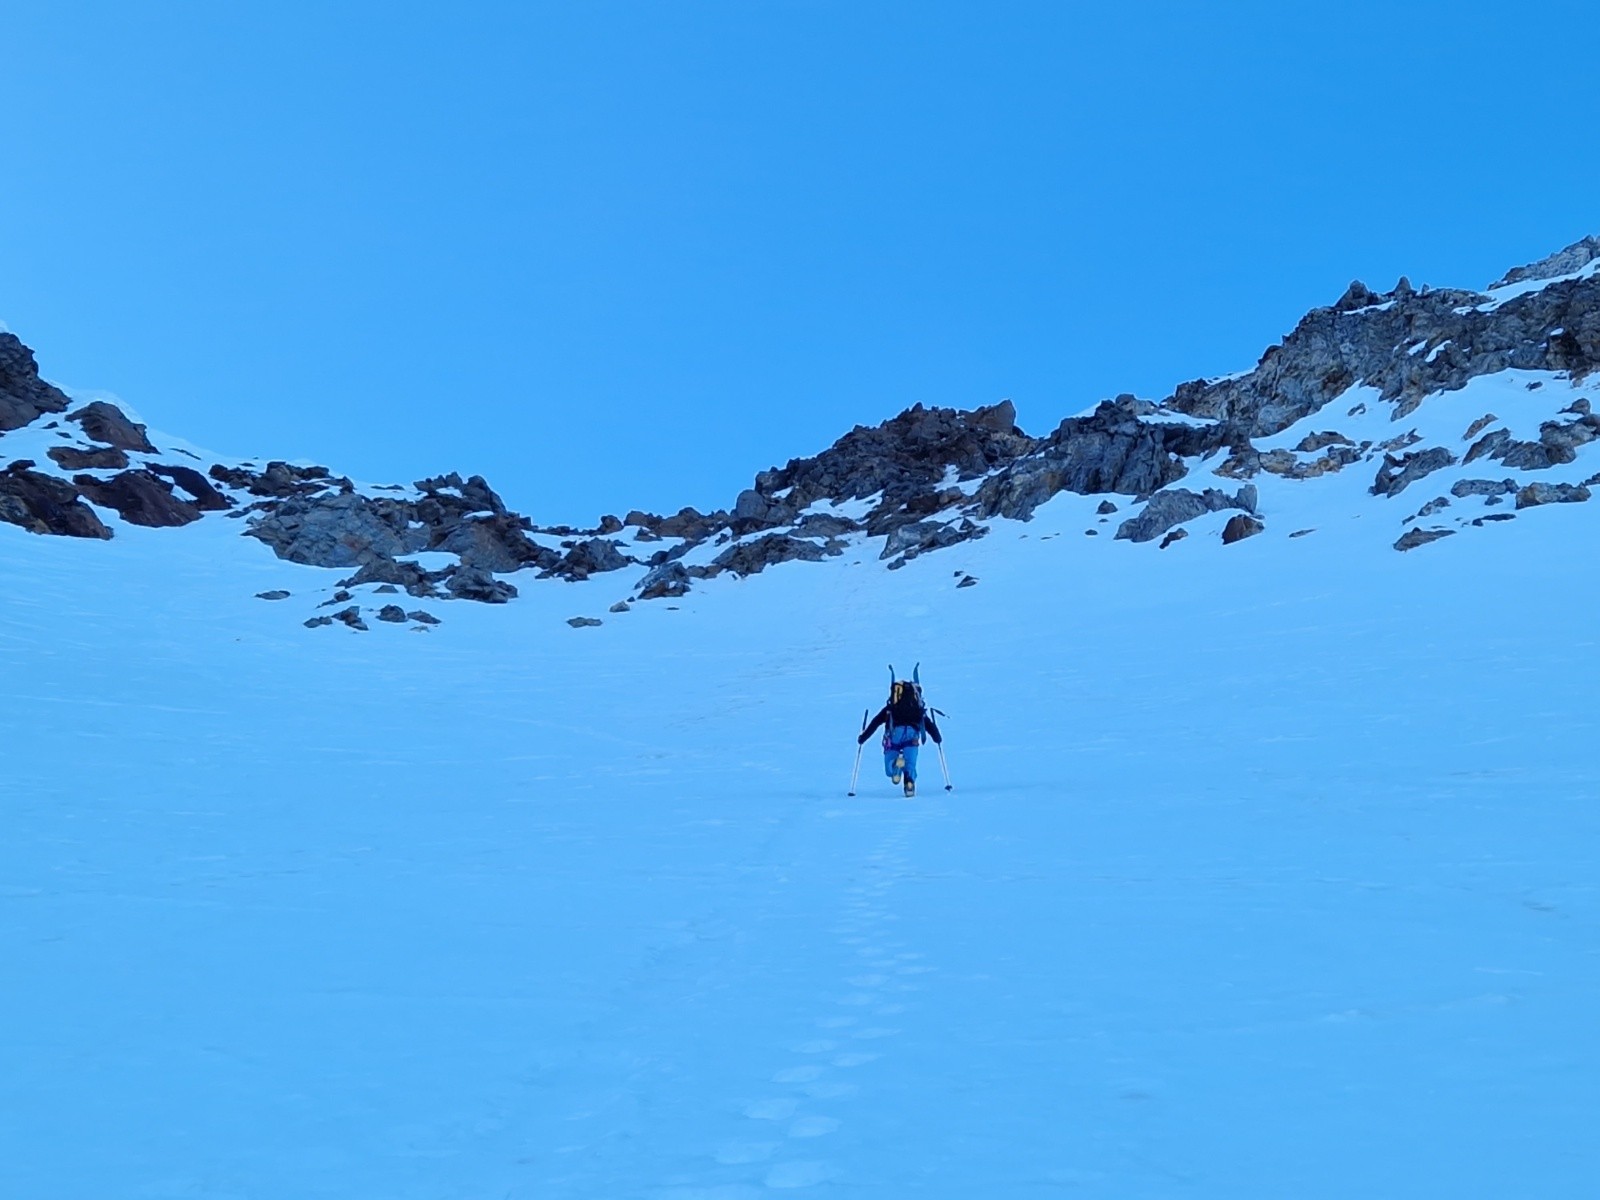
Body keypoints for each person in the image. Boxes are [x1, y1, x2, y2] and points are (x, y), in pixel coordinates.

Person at [858, 675, 942, 796]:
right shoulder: (917, 708)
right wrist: (937, 738)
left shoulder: (891, 708)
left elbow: (876, 722)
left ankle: (894, 765)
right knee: (910, 764)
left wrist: (863, 738)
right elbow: (928, 724)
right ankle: (909, 782)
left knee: (889, 770)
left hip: (894, 735)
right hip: (912, 737)